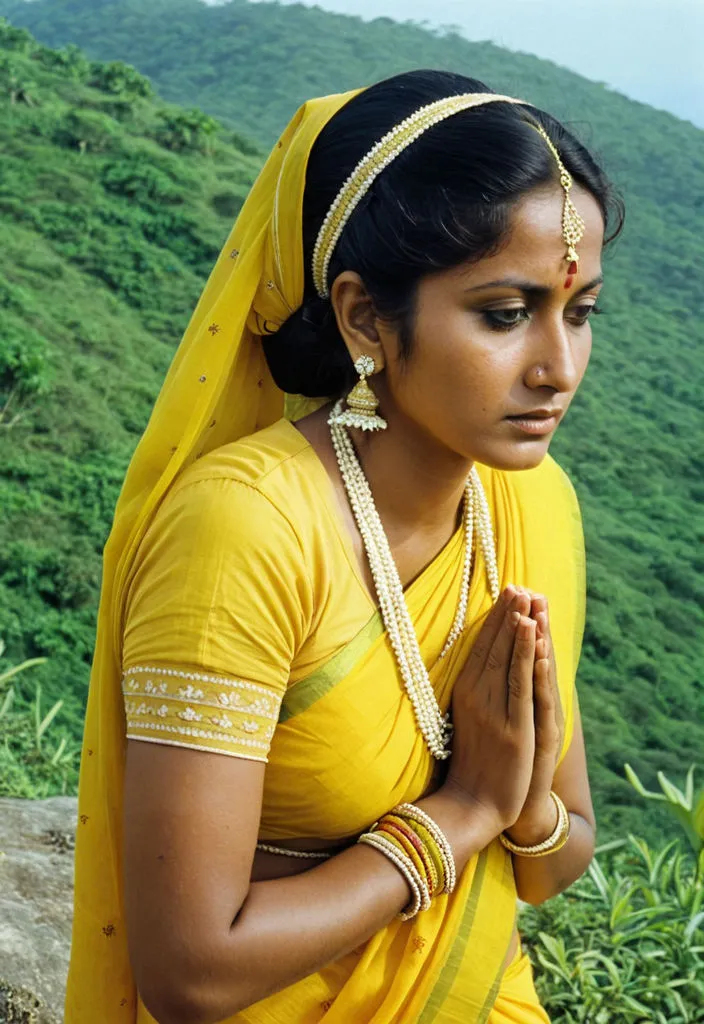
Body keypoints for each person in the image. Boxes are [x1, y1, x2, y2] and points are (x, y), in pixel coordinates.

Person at [64, 69, 624, 1023]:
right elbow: (191, 971)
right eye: (503, 313)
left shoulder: (534, 507)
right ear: (366, 316)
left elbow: (557, 857)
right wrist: (464, 815)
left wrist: (519, 803)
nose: (557, 369)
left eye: (578, 313)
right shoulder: (247, 529)